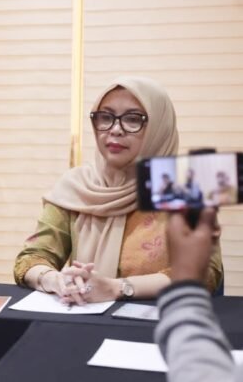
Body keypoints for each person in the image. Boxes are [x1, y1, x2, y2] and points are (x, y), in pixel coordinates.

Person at [14, 76, 222, 303]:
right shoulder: (78, 186)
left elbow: (204, 272)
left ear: (159, 127)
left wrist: (118, 288)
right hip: (86, 316)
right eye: (106, 117)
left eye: (133, 119)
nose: (115, 129)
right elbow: (31, 258)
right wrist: (54, 280)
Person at [155, 209, 243, 382]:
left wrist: (120, 286)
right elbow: (41, 255)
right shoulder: (73, 194)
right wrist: (50, 276)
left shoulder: (186, 212)